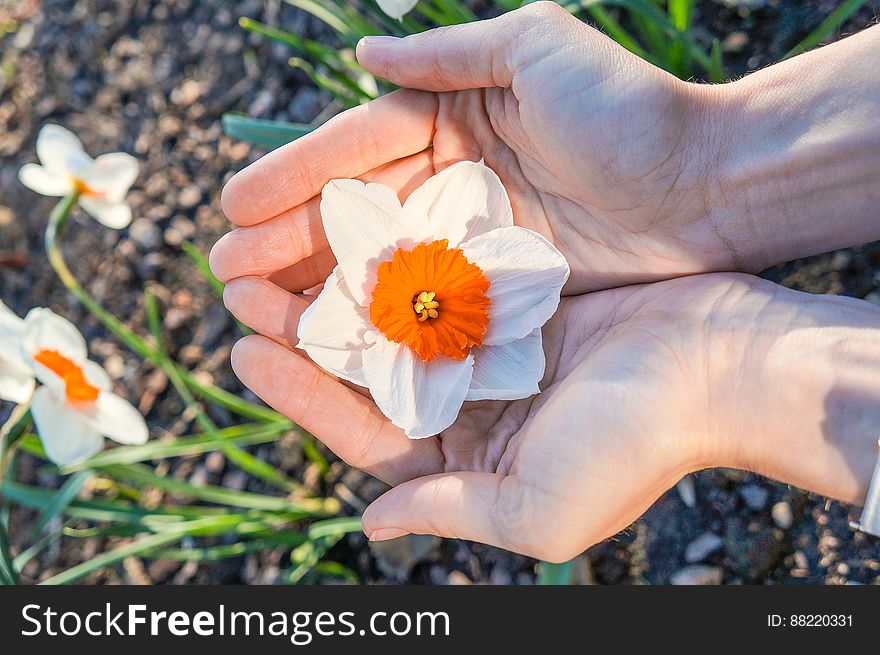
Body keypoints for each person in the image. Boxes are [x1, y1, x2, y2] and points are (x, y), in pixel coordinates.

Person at [209, 2, 880, 562]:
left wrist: (702, 167)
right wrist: (704, 162)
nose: (420, 300)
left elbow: (471, 218)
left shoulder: (460, 235)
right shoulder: (398, 305)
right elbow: (419, 393)